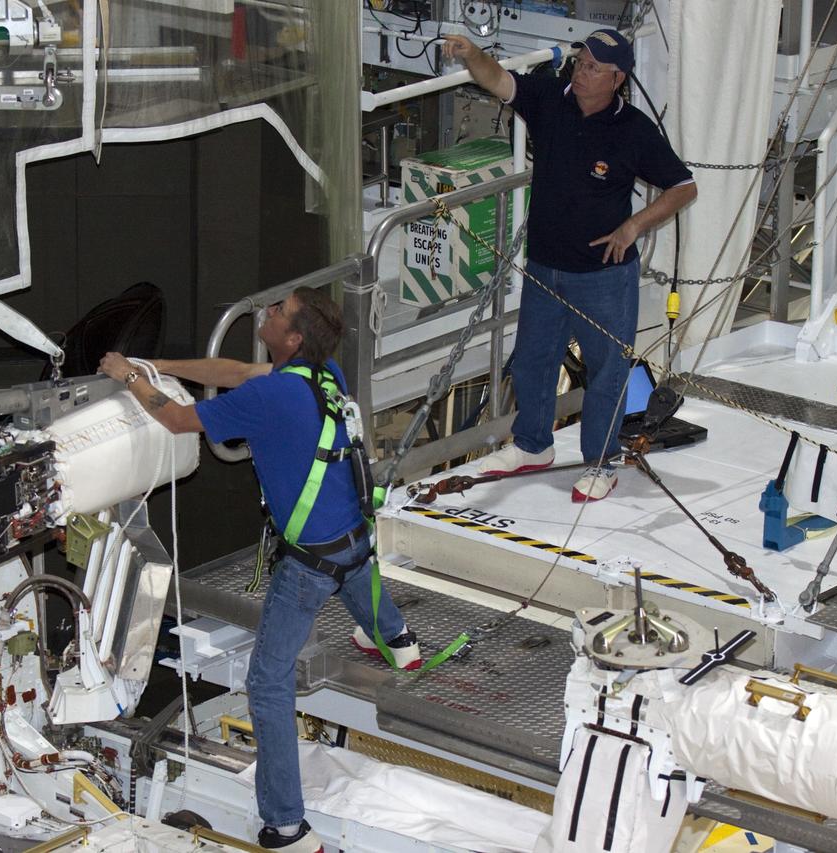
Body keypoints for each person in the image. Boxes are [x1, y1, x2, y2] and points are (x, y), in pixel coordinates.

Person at [99, 287, 420, 853]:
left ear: (293, 337)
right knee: (354, 573)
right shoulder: (323, 376)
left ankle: (287, 827)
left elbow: (175, 419)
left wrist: (130, 376)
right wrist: (164, 365)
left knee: (268, 686)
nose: (266, 313)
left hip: (308, 566)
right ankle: (397, 639)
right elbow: (239, 370)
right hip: (351, 537)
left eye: (277, 312)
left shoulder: (273, 396)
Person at [441, 29, 697, 501]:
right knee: (534, 362)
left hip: (604, 276)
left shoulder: (634, 130)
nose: (582, 72)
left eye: (595, 67)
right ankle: (533, 445)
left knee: (606, 371)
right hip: (544, 267)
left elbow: (683, 187)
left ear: (618, 78)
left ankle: (602, 462)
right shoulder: (548, 98)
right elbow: (497, 79)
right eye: (581, 62)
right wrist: (472, 54)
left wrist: (634, 226)